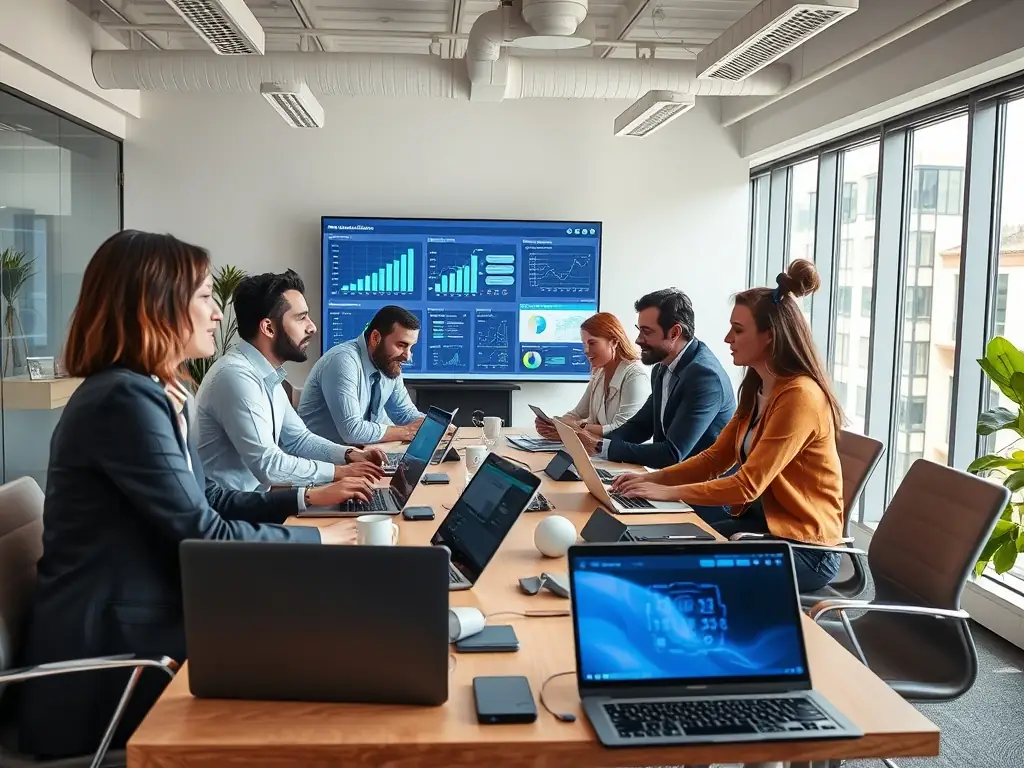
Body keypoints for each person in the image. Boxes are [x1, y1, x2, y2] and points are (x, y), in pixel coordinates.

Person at [16, 231, 370, 760]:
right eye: (204, 296)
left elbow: (210, 499)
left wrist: (306, 503)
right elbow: (204, 534)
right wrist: (319, 543)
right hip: (116, 658)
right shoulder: (122, 400)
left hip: (145, 617)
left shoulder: (149, 390)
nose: (216, 313)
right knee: (329, 663)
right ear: (156, 306)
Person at [612, 260, 844, 592]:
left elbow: (747, 486)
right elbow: (715, 459)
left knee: (674, 569)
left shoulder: (800, 397)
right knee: (650, 546)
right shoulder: (757, 387)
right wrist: (651, 479)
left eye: (738, 330)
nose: (727, 338)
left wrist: (666, 491)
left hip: (806, 550)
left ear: (770, 336)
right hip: (759, 527)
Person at [196, 270, 386, 492]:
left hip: (252, 505)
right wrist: (340, 472)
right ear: (268, 328)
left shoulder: (267, 374)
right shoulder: (235, 376)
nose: (312, 327)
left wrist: (351, 455)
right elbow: (269, 466)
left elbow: (299, 439)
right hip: (227, 510)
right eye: (301, 317)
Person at [574, 289, 735, 470]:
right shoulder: (662, 367)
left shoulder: (704, 377)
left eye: (647, 332)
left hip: (703, 484)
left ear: (674, 333)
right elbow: (640, 427)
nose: (638, 340)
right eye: (639, 330)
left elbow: (672, 454)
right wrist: (591, 443)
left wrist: (600, 447)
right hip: (673, 478)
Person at [299, 305, 425, 445]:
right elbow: (352, 431)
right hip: (322, 456)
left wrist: (435, 428)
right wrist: (405, 432)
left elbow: (405, 414)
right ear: (375, 338)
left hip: (362, 452)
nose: (407, 357)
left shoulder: (388, 364)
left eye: (411, 347)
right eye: (401, 345)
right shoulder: (342, 361)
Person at [535, 312, 650, 438]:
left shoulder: (635, 376)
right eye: (584, 344)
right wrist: (552, 424)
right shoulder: (599, 374)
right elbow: (576, 414)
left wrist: (580, 427)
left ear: (614, 342)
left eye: (592, 343)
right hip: (599, 449)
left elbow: (622, 429)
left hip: (622, 450)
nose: (586, 350)